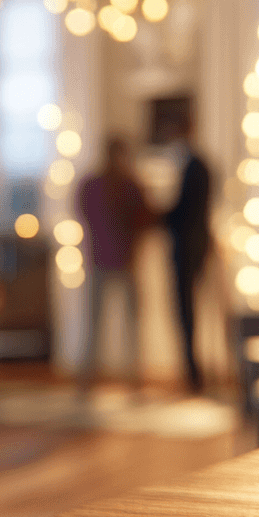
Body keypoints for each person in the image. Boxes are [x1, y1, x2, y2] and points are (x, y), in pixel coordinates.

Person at [77, 135, 152, 389]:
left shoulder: (96, 185)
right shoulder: (126, 185)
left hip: (110, 261)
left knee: (104, 324)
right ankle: (107, 379)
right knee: (116, 324)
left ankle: (118, 379)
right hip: (112, 261)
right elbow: (144, 219)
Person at [163, 110, 212, 393]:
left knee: (186, 312)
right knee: (187, 312)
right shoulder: (195, 165)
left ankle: (194, 376)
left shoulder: (195, 166)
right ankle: (193, 374)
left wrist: (155, 217)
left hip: (189, 250)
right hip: (194, 247)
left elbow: (184, 212)